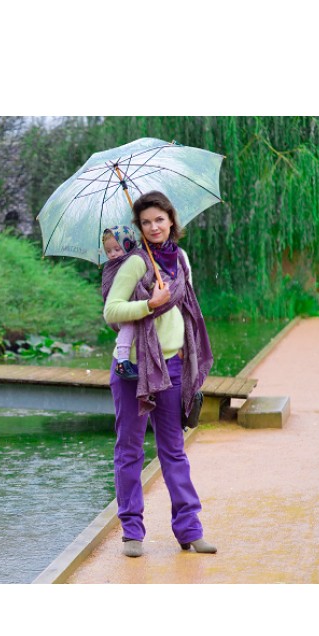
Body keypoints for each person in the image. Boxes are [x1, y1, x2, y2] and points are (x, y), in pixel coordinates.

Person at [101, 190, 216, 558]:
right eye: (146, 222)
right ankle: (132, 532)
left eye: (159, 220)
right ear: (140, 226)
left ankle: (190, 530)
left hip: (172, 366)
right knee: (129, 451)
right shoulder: (134, 264)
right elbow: (111, 311)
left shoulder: (181, 260)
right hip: (133, 368)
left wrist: (184, 349)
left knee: (174, 451)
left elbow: (187, 309)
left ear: (171, 221)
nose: (154, 227)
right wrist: (149, 303)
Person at [101, 226, 139, 381]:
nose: (113, 254)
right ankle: (122, 362)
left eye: (117, 249)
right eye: (108, 251)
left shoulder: (137, 260)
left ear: (128, 245)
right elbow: (110, 289)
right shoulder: (112, 267)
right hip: (119, 309)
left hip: (135, 305)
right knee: (128, 322)